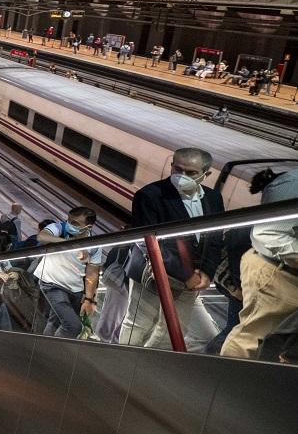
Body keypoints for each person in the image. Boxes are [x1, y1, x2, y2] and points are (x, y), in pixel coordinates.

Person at [117, 148, 224, 349]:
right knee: (138, 324)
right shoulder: (150, 195)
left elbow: (215, 237)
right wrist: (186, 274)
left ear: (206, 174)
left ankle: (148, 364)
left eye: (191, 173)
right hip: (153, 272)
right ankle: (124, 364)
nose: (182, 177)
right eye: (178, 169)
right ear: (172, 165)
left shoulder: (213, 198)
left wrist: (207, 272)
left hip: (193, 277)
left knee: (175, 329)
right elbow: (147, 241)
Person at [221, 169, 298, 359]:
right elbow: (267, 234)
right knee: (251, 339)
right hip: (276, 272)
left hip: (289, 271)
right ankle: (224, 383)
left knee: (279, 342)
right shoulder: (293, 184)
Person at [32, 207, 102, 338]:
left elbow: (92, 273)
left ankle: (43, 349)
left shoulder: (94, 244)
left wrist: (88, 299)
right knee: (73, 326)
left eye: (75, 223)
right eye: (69, 220)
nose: (69, 225)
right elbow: (42, 236)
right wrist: (70, 243)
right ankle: (54, 352)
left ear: (89, 226)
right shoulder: (60, 228)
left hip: (75, 290)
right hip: (51, 283)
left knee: (55, 321)